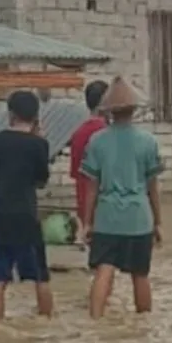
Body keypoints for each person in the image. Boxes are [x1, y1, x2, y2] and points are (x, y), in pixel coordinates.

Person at [80, 77, 164, 319]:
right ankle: (144, 324)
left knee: (103, 271)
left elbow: (91, 187)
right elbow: (152, 187)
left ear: (109, 111)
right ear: (134, 109)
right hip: (139, 218)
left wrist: (87, 222)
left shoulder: (96, 141)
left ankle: (95, 323)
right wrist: (158, 222)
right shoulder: (148, 142)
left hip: (107, 217)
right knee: (140, 274)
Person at [0, 89, 54, 321]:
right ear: (36, 116)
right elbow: (41, 182)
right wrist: (39, 139)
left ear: (10, 113)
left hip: (0, 216)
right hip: (26, 217)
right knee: (40, 276)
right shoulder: (39, 145)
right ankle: (46, 322)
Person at [69, 80, 109, 240]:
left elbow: (75, 172)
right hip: (107, 205)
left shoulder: (78, 134)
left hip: (84, 204)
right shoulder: (108, 134)